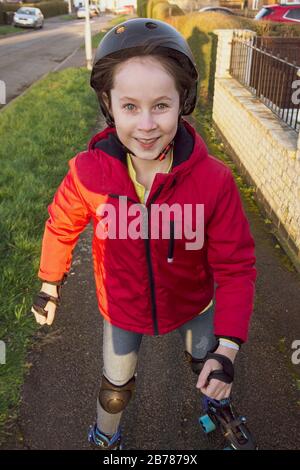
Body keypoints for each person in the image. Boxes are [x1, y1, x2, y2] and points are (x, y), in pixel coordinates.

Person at [31, 18, 257, 450]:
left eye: (161, 105)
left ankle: (218, 405)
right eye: (130, 106)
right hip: (123, 305)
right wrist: (49, 284)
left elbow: (235, 266)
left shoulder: (214, 181)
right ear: (108, 104)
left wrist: (228, 348)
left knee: (207, 362)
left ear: (183, 101)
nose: (147, 125)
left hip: (193, 301)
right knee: (116, 387)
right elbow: (61, 224)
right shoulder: (87, 173)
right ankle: (105, 437)